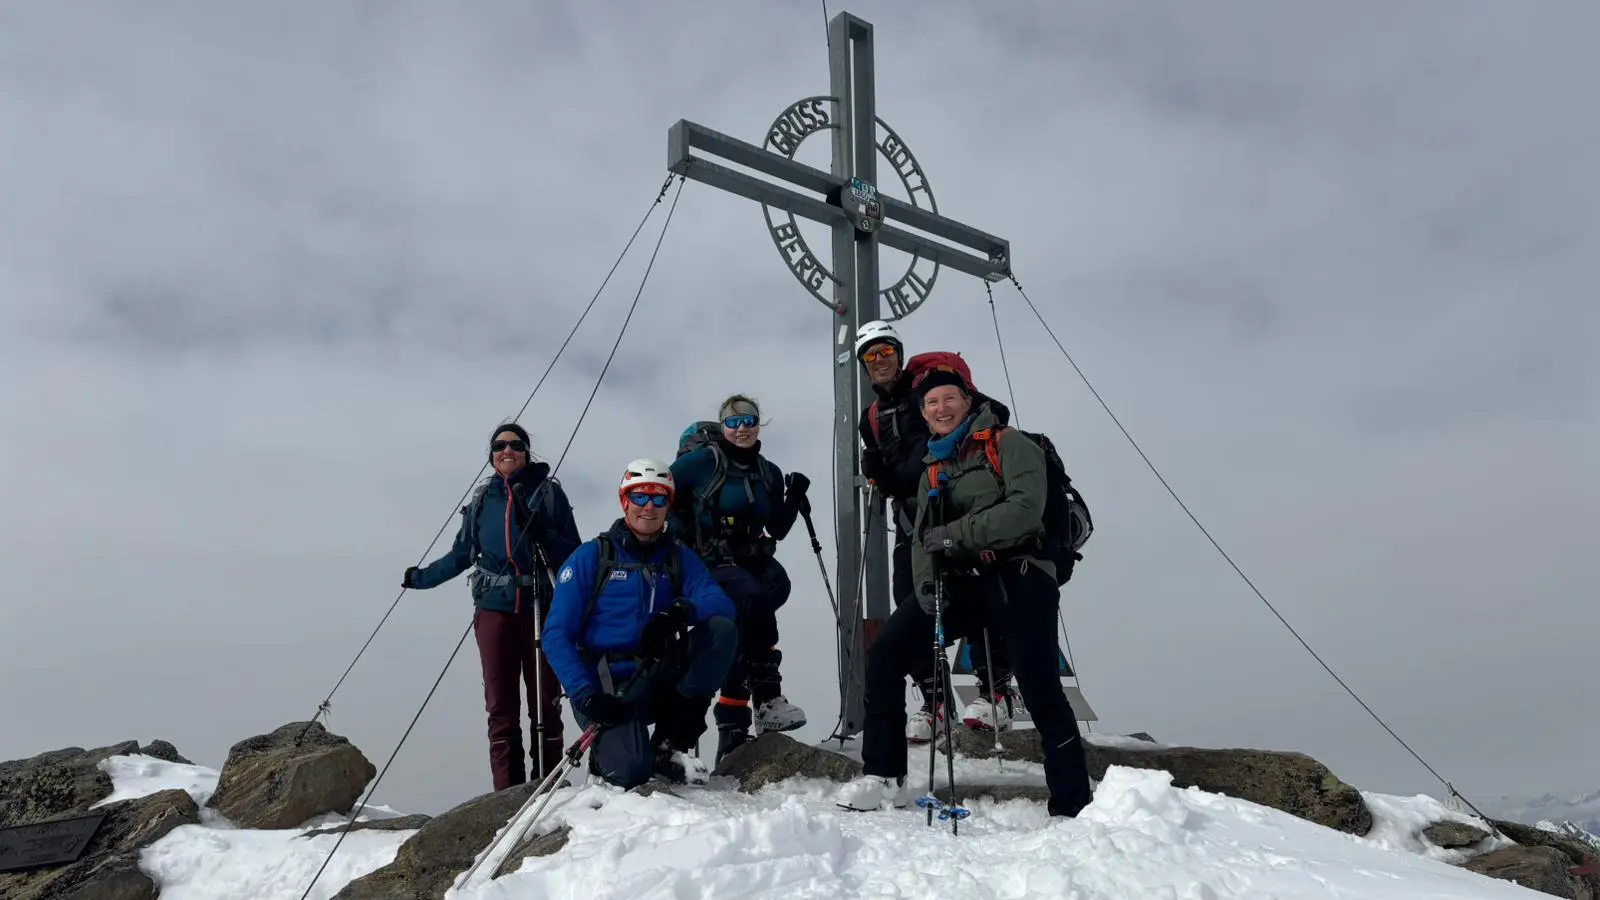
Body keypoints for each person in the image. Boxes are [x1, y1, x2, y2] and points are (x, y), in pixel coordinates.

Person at [837, 365, 1094, 817]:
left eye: (950, 399)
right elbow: (920, 539)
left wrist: (956, 535)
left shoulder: (1010, 444)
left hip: (1020, 573)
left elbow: (1025, 510)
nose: (941, 408)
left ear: (968, 402)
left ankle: (1072, 802)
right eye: (932, 403)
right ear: (924, 412)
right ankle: (882, 774)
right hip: (963, 582)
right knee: (887, 652)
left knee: (1039, 684)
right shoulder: (933, 468)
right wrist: (926, 586)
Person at [854, 322, 1021, 741]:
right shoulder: (870, 418)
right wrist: (883, 472)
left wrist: (912, 464)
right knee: (911, 604)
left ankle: (996, 694)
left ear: (898, 351)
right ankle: (936, 701)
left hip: (958, 507)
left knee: (982, 592)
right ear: (863, 365)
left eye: (885, 351)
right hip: (913, 519)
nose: (880, 361)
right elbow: (889, 475)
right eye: (870, 356)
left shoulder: (932, 389)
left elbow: (992, 414)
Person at [403, 422, 583, 790]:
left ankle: (549, 788)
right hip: (493, 611)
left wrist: (541, 533)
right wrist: (420, 578)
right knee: (500, 709)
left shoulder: (547, 494)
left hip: (541, 610)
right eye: (500, 445)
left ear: (526, 453)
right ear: (491, 455)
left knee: (546, 704)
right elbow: (461, 555)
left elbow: (574, 554)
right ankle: (508, 795)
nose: (508, 450)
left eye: (516, 445)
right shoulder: (483, 501)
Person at [541, 459, 738, 788]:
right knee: (632, 772)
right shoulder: (593, 556)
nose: (649, 506)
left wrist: (680, 610)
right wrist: (585, 694)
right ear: (624, 501)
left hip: (655, 675)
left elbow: (721, 604)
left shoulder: (677, 558)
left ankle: (668, 744)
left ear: (668, 506)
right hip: (605, 688)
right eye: (640, 496)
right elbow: (556, 635)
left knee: (721, 632)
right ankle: (610, 754)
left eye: (659, 498)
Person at [669, 394, 812, 764]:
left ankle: (732, 730)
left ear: (758, 424)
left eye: (749, 421)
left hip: (750, 562)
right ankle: (767, 698)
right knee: (751, 598)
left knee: (769, 594)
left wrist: (793, 495)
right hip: (708, 563)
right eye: (733, 423)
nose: (742, 428)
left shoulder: (768, 471)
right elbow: (660, 490)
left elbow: (776, 526)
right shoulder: (702, 463)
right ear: (723, 428)